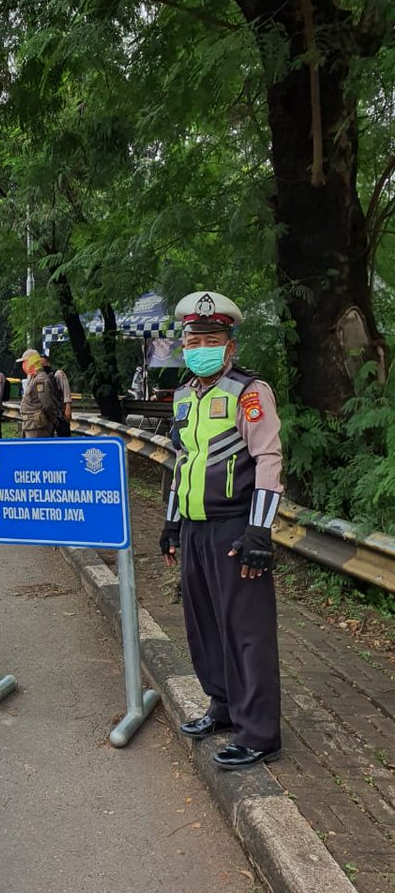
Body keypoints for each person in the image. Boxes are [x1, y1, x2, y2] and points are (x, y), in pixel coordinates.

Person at [161, 290, 283, 770]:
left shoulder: (250, 393)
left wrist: (259, 533)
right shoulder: (185, 395)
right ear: (184, 344)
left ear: (230, 346)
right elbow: (180, 460)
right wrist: (171, 522)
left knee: (246, 632)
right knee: (205, 624)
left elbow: (269, 459)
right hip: (194, 529)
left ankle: (260, 733)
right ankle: (223, 706)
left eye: (212, 338)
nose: (201, 346)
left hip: (235, 529)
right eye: (194, 339)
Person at [18, 349, 58, 438]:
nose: (23, 365)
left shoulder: (40, 379)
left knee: (35, 451)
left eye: (25, 362)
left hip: (37, 425)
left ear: (32, 361)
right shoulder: (34, 378)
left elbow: (46, 404)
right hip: (30, 424)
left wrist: (51, 419)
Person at [41, 351, 72, 436]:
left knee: (64, 435)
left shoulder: (58, 374)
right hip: (48, 412)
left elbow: (66, 391)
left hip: (60, 411)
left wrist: (68, 407)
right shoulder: (39, 376)